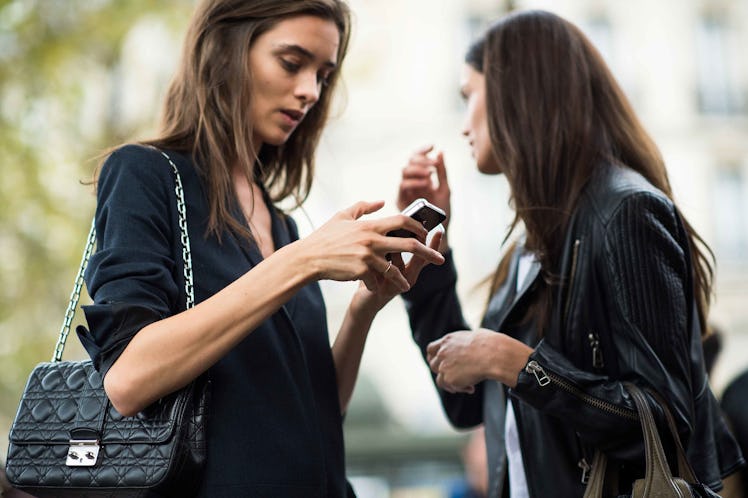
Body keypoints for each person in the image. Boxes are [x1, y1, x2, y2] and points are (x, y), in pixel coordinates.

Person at [76, 1, 444, 496]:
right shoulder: (148, 175)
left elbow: (315, 411)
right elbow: (126, 379)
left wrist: (363, 306)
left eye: (324, 74)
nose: (310, 91)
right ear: (226, 49)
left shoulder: (283, 224)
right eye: (292, 63)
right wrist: (305, 261)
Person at [396, 9, 745, 498]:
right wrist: (430, 254)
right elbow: (468, 405)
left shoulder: (626, 211)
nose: (463, 124)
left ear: (515, 96)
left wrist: (518, 364)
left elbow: (666, 425)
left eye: (468, 97)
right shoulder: (531, 245)